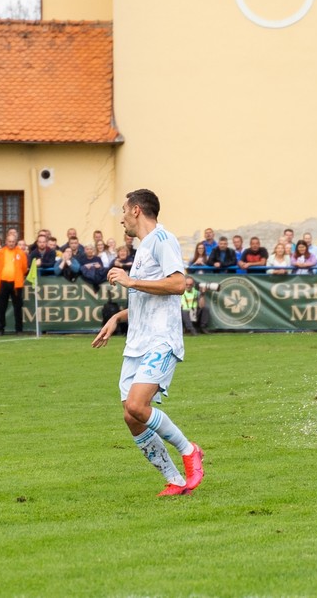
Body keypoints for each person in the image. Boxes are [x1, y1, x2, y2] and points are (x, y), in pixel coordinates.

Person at [92, 188, 204, 496]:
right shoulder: (143, 248)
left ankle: (189, 450)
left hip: (161, 340)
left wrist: (130, 281)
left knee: (137, 405)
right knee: (131, 416)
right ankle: (175, 480)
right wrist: (118, 318)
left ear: (136, 210)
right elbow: (148, 299)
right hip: (137, 343)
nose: (122, 219)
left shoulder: (163, 239)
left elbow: (178, 284)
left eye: (124, 211)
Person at [0, 231, 30, 335]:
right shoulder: (0, 252)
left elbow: (24, 268)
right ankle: (0, 329)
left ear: (15, 242)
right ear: (6, 241)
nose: (11, 243)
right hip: (3, 282)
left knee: (18, 307)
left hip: (16, 283)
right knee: (1, 307)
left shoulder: (21, 253)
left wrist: (17, 276)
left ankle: (19, 329)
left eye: (13, 241)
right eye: (9, 241)